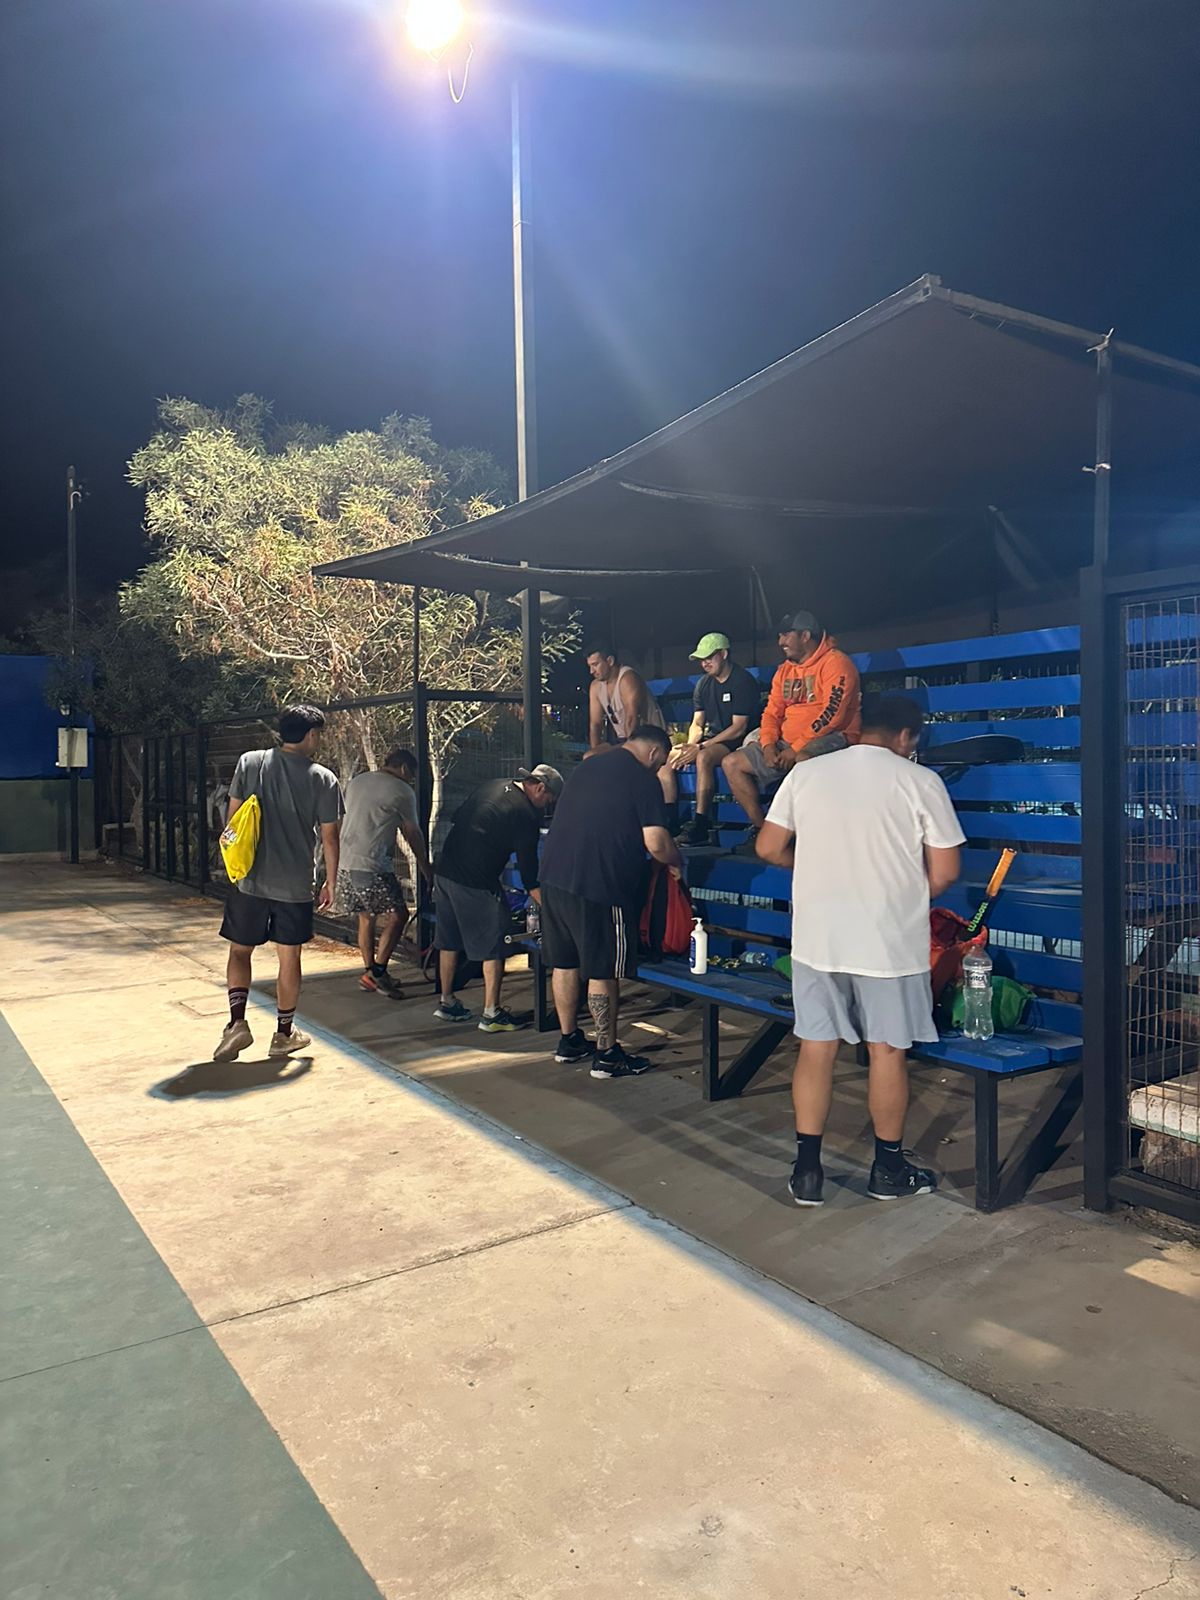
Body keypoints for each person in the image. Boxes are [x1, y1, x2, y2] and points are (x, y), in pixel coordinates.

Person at [755, 693, 964, 1207]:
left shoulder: (807, 775)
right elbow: (945, 873)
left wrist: (815, 869)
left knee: (816, 1047)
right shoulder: (921, 782)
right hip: (888, 943)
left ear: (860, 727)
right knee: (887, 1052)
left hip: (818, 939)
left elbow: (767, 847)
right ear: (908, 738)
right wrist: (900, 891)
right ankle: (887, 1169)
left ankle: (807, 1173)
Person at [539, 726, 683, 1079]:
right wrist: (677, 861)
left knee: (565, 962)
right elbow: (656, 842)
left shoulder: (588, 766)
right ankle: (607, 1055)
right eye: (660, 763)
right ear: (654, 753)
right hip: (600, 884)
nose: (657, 769)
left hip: (555, 877)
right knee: (604, 969)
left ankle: (569, 1040)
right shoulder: (643, 779)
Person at [213, 705, 343, 1062]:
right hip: (295, 885)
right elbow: (330, 838)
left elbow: (233, 820)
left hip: (250, 879)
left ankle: (237, 1023)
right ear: (311, 735)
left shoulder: (250, 762)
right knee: (290, 957)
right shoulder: (323, 778)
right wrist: (330, 883)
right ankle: (284, 1034)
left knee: (240, 950)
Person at [433, 762, 563, 1033]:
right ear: (540, 788)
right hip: (476, 882)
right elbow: (530, 877)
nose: (547, 807)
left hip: (445, 871)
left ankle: (446, 1001)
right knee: (495, 943)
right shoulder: (525, 813)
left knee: (449, 940)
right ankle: (491, 1013)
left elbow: (459, 817)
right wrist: (555, 913)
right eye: (549, 800)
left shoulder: (492, 784)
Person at [722, 609, 861, 853]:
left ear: (805, 635)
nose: (780, 642)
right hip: (787, 743)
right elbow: (772, 712)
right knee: (732, 763)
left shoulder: (836, 663)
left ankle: (808, 837)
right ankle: (765, 832)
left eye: (786, 636)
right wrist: (767, 745)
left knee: (804, 760)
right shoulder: (784, 670)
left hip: (834, 737)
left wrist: (795, 748)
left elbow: (832, 715)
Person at [337, 748, 433, 998]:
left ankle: (371, 971)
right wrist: (424, 865)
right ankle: (378, 973)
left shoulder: (359, 781)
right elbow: (412, 832)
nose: (411, 779)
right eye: (411, 774)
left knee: (366, 917)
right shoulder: (401, 790)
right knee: (399, 915)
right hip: (372, 863)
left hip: (346, 862)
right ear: (403, 769)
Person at [671, 631, 762, 846]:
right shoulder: (703, 685)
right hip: (712, 740)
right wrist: (690, 745)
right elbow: (697, 722)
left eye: (709, 657)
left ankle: (701, 823)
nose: (705, 663)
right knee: (671, 756)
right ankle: (669, 821)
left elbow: (738, 728)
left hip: (738, 742)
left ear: (724, 654)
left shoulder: (742, 680)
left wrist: (700, 747)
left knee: (704, 757)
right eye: (702, 659)